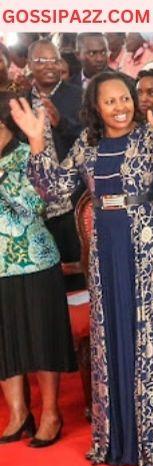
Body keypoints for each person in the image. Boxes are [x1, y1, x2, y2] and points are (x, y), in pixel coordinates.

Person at [17, 72, 153, 466]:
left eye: (125, 98)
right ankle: (124, 435)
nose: (120, 107)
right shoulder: (88, 144)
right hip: (107, 248)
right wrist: (38, 141)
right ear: (96, 108)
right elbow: (55, 191)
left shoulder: (149, 136)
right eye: (110, 101)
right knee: (116, 333)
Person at [0, 91, 77, 447]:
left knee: (42, 339)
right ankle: (18, 413)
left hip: (33, 259)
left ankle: (50, 412)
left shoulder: (29, 153)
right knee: (5, 343)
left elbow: (36, 204)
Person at [27, 40, 86, 291]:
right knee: (48, 276)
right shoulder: (19, 99)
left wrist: (61, 122)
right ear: (30, 65)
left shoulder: (77, 95)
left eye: (54, 59)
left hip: (72, 198)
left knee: (76, 270)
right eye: (41, 61)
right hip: (34, 201)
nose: (49, 66)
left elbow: (89, 137)